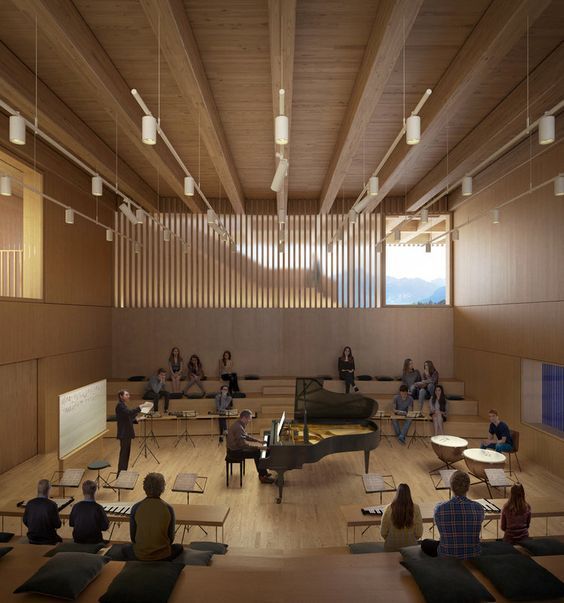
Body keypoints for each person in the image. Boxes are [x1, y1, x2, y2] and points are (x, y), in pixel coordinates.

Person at [421, 470, 484, 559]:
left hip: (447, 554)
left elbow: (439, 526)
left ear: (451, 486)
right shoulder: (479, 508)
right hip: (474, 554)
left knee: (425, 543)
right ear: (468, 487)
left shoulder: (439, 508)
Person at [129, 472, 183, 561]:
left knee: (125, 548)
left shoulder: (136, 507)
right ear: (162, 489)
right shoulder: (168, 509)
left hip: (140, 555)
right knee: (179, 547)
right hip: (163, 556)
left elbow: (133, 538)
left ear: (144, 488)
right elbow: (171, 539)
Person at [227, 410, 274, 483]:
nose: (250, 421)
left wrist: (258, 441)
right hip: (235, 452)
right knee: (257, 453)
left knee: (257, 452)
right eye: (249, 419)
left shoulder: (239, 424)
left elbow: (246, 436)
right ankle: (262, 476)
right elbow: (243, 445)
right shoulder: (238, 427)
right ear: (244, 418)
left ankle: (263, 473)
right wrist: (259, 447)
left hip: (235, 449)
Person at [380, 483, 423, 552]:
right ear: (409, 494)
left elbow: (383, 532)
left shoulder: (388, 508)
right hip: (410, 549)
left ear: (397, 494)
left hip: (391, 549)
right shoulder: (416, 508)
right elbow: (419, 533)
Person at [22, 479, 62, 545]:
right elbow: (58, 525)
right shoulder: (52, 505)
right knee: (60, 541)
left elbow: (25, 521)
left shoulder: (30, 503)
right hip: (48, 540)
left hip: (32, 539)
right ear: (49, 489)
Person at [116, 390, 141, 473]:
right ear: (121, 396)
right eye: (126, 395)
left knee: (126, 455)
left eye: (128, 394)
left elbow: (127, 418)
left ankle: (123, 472)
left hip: (126, 434)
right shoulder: (120, 406)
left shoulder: (123, 405)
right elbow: (129, 413)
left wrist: (136, 419)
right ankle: (120, 474)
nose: (128, 396)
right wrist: (139, 408)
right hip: (124, 434)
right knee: (124, 455)